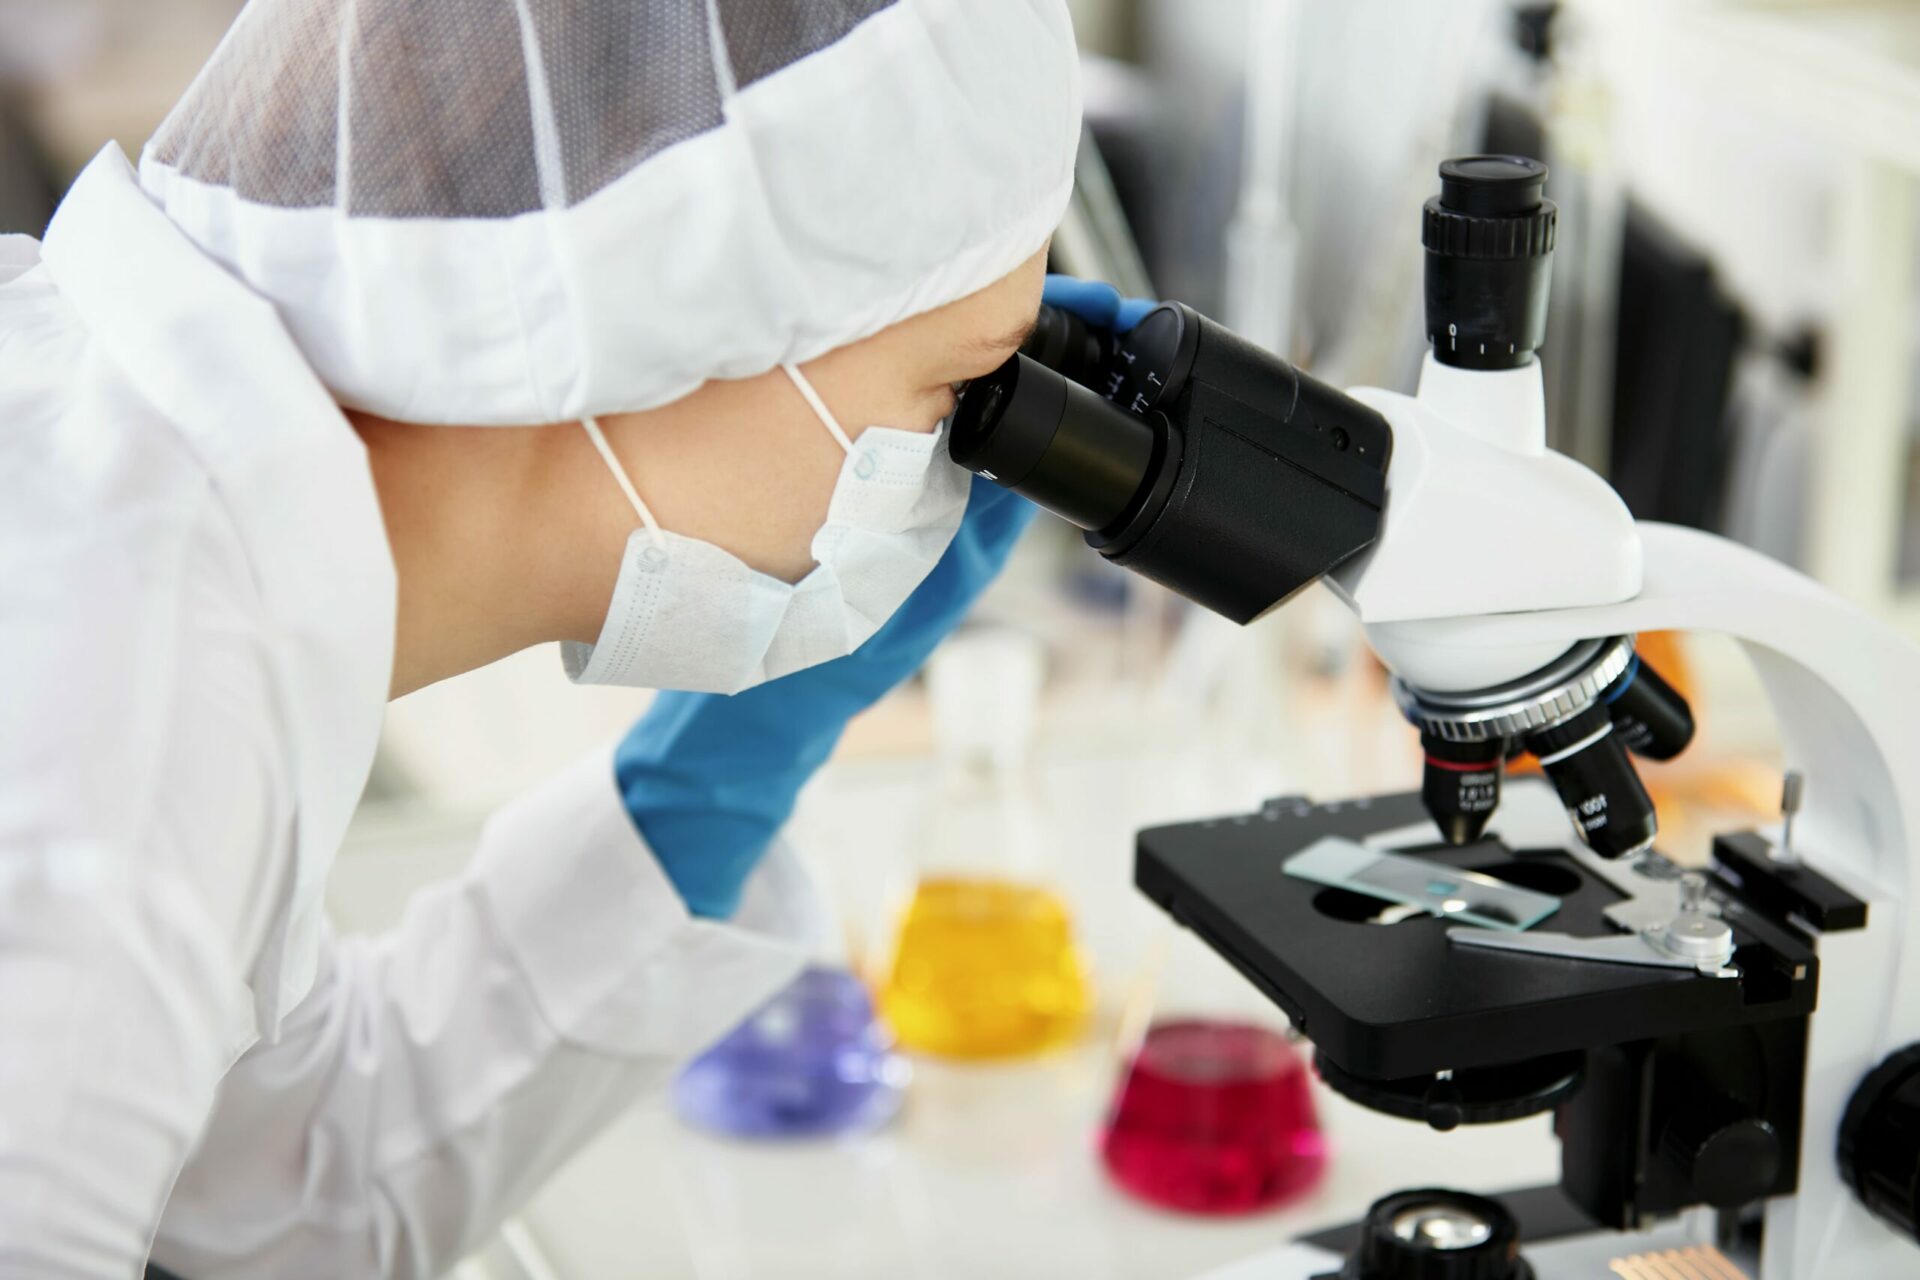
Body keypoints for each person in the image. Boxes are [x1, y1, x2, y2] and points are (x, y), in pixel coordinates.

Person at [0, 1, 1141, 1275]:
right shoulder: (118, 714)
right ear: (670, 306)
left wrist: (699, 799)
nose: (956, 468)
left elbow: (261, 1203)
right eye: (959, 390)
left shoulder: (178, 568)